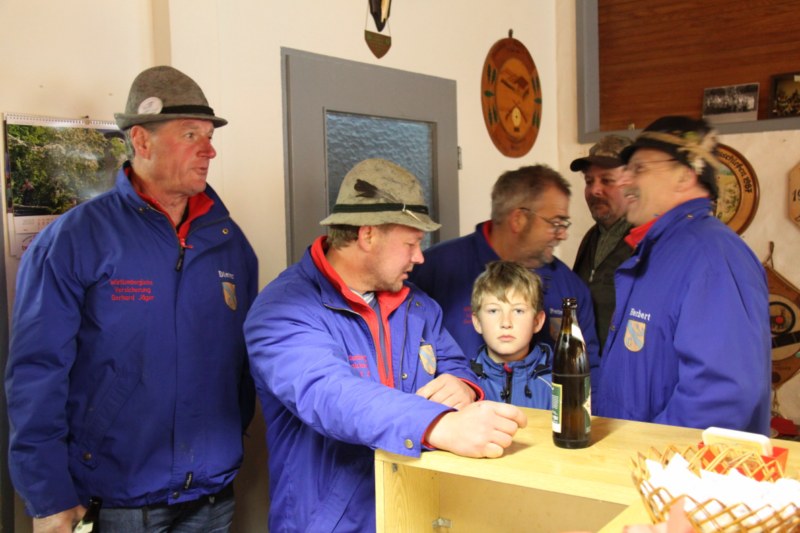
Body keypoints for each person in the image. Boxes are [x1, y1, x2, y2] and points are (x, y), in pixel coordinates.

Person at [5, 66, 258, 532]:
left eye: (209, 135)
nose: (209, 149)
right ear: (141, 141)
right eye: (191, 134)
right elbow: (36, 374)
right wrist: (48, 496)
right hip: (115, 502)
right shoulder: (75, 240)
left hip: (210, 498)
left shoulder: (229, 243)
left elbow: (242, 363)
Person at [244, 158, 527, 532]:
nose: (420, 257)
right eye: (411, 243)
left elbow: (454, 364)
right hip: (331, 523)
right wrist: (439, 424)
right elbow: (329, 394)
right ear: (368, 235)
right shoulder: (282, 310)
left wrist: (463, 387)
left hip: (412, 508)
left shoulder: (418, 305)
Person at [596, 115, 771, 434]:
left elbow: (721, 395)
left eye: (639, 169)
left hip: (663, 464)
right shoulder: (659, 251)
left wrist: (651, 454)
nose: (624, 182)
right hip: (630, 458)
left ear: (684, 176)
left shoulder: (711, 257)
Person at [409, 165, 600, 380]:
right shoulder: (434, 269)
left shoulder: (570, 289)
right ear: (519, 219)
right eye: (556, 223)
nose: (563, 235)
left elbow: (588, 372)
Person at [571, 134, 635, 350]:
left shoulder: (649, 242)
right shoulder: (591, 238)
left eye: (606, 180)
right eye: (589, 181)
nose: (595, 190)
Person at [469, 260, 552, 408]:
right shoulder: (466, 383)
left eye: (518, 311)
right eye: (493, 311)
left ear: (537, 321)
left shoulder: (558, 384)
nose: (506, 323)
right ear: (477, 322)